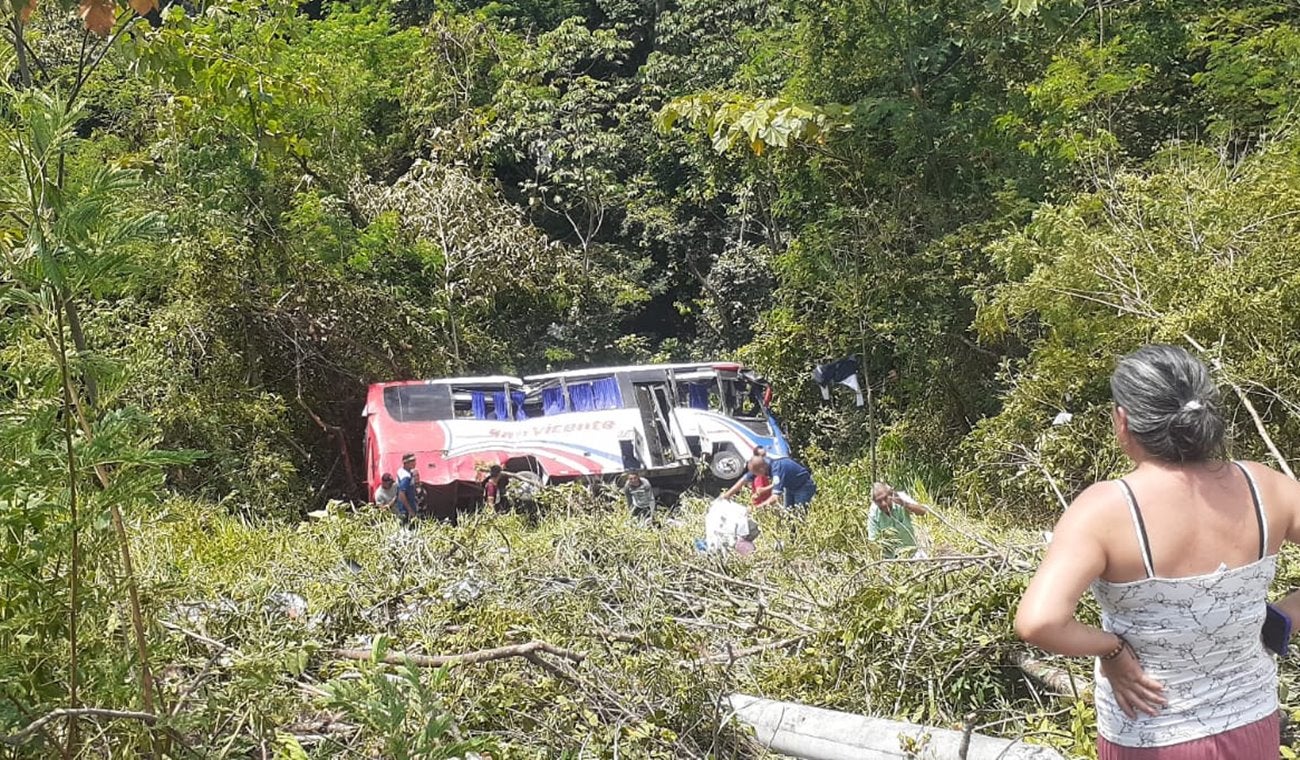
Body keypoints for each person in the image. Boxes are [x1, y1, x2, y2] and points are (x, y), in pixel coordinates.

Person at [1015, 344, 1300, 758]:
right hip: (1252, 721)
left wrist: (1110, 649)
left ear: (1123, 420)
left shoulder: (1105, 509)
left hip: (1152, 733)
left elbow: (1039, 622)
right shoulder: (1265, 487)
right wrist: (1281, 616)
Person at [868, 482, 928, 558]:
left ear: (890, 494)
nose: (884, 503)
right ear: (875, 502)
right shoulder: (873, 513)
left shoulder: (900, 498)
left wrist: (904, 504)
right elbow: (873, 542)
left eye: (885, 498)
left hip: (911, 553)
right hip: (890, 560)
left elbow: (923, 511)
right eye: (879, 501)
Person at [750, 455, 816, 513]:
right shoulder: (771, 464)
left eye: (756, 473)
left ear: (761, 469)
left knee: (799, 515)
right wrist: (762, 491)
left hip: (803, 487)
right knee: (788, 514)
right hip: (790, 486)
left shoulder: (776, 470)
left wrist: (756, 508)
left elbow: (774, 499)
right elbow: (777, 483)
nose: (757, 476)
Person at [394, 453, 419, 526]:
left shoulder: (402, 471)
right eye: (412, 461)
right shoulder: (405, 477)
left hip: (406, 508)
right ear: (406, 463)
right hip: (405, 511)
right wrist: (410, 510)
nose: (415, 463)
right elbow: (401, 494)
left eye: (415, 460)